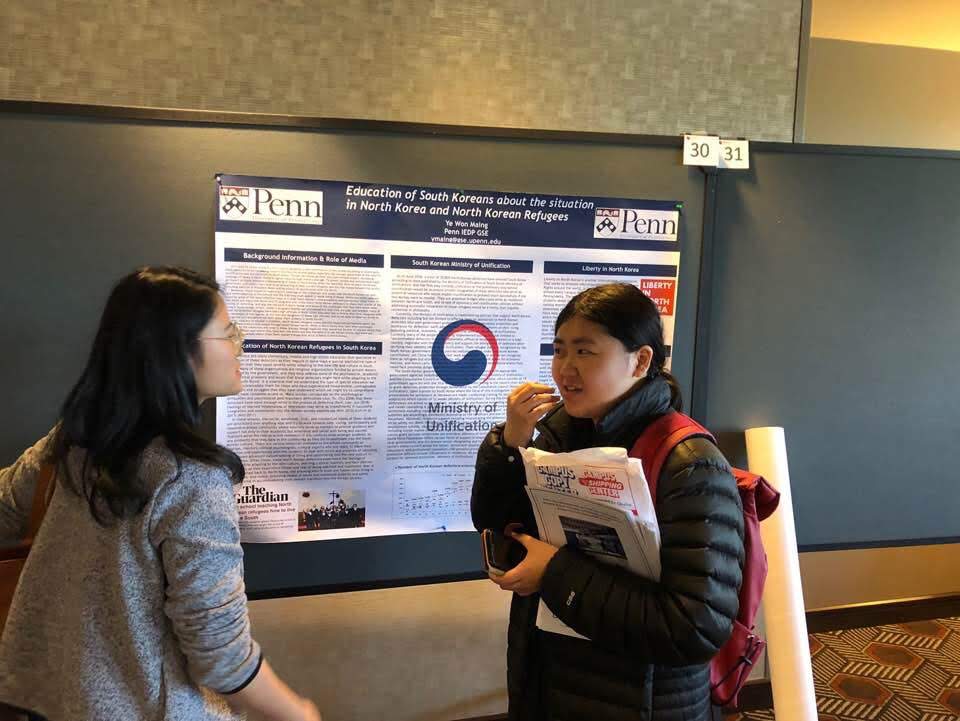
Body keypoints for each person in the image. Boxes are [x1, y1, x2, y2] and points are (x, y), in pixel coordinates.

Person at [0, 267, 321, 721]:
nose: (239, 344)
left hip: (44, 700)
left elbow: (5, 508)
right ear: (176, 353)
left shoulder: (75, 441)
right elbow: (219, 651)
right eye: (227, 332)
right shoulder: (192, 478)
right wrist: (297, 713)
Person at [471, 283, 745, 721]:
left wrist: (554, 572)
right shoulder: (561, 434)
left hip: (642, 699)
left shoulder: (690, 463)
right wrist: (510, 444)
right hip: (550, 677)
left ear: (640, 360)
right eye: (559, 350)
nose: (565, 369)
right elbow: (495, 520)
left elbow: (695, 627)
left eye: (585, 352)